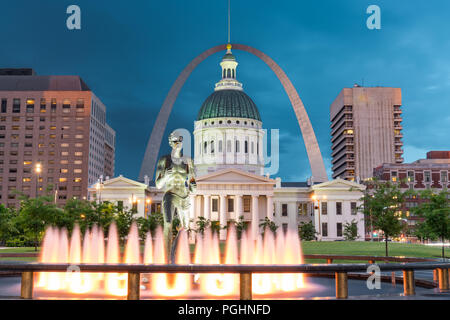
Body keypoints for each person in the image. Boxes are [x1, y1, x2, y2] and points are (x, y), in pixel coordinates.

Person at [155, 131, 196, 261]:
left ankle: (173, 252)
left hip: (184, 196)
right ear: (170, 143)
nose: (177, 143)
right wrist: (166, 175)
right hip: (170, 195)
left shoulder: (188, 161)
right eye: (174, 141)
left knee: (186, 228)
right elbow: (158, 185)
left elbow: (192, 181)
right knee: (168, 223)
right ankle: (167, 259)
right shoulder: (164, 160)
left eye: (179, 140)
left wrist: (193, 186)